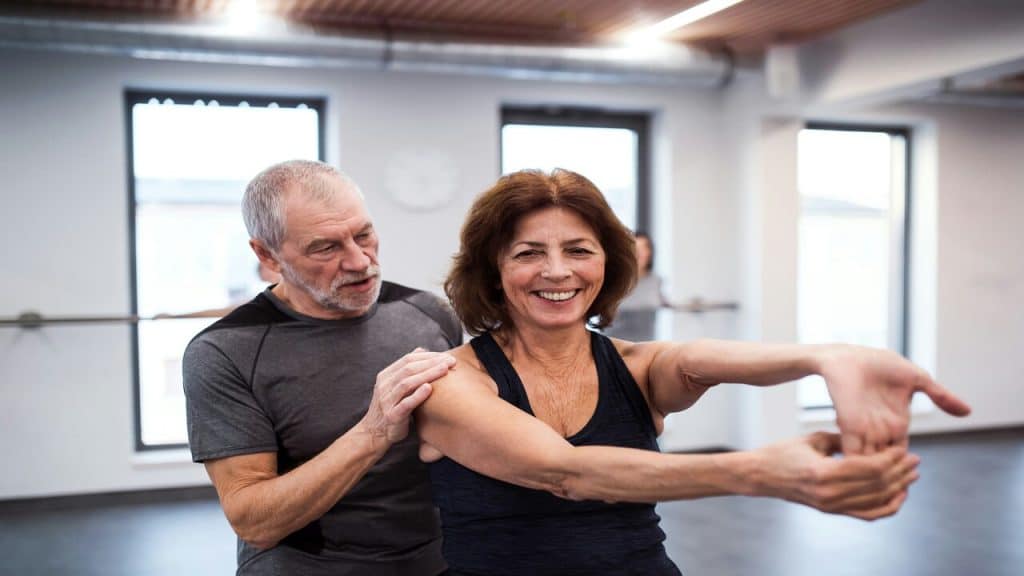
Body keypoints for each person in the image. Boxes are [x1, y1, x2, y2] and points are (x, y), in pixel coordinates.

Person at [415, 168, 971, 575]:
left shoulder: (638, 366)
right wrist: (758, 472)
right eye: (528, 253)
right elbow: (566, 473)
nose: (557, 271)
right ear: (493, 270)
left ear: (608, 263)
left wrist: (830, 356)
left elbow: (701, 357)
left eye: (580, 250)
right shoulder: (451, 381)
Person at [182, 160, 460, 575]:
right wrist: (374, 431)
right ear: (267, 255)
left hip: (435, 558)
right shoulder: (224, 351)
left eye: (364, 235)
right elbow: (254, 521)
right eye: (325, 247)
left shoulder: (430, 314)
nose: (358, 261)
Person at [603, 231, 670, 341]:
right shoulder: (613, 281)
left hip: (646, 347)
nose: (640, 253)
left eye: (644, 248)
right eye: (635, 248)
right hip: (615, 346)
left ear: (650, 252)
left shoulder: (656, 281)